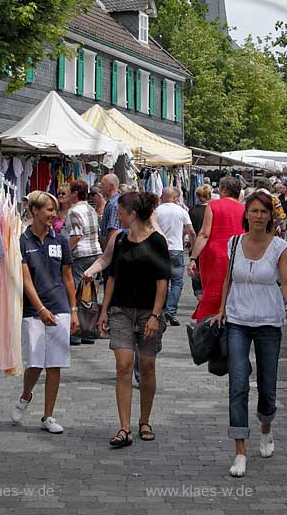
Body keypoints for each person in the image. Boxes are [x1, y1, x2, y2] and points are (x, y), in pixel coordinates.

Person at [209, 191, 287, 477]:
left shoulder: (279, 246)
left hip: (269, 323)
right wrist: (222, 309)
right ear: (246, 214)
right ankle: (240, 452)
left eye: (264, 211)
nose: (258, 216)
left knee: (267, 388)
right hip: (237, 321)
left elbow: (285, 280)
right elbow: (227, 280)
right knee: (238, 384)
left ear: (271, 216)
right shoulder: (234, 243)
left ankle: (266, 428)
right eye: (254, 211)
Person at [96, 192, 170, 448]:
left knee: (147, 367)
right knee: (124, 365)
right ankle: (124, 427)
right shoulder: (119, 241)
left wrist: (155, 316)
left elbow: (163, 282)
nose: (118, 216)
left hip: (148, 311)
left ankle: (144, 421)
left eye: (120, 212)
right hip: (121, 311)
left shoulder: (157, 241)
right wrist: (104, 310)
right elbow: (112, 278)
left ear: (133, 214)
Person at [11, 191, 77, 433]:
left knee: (55, 364)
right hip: (33, 309)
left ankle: (48, 416)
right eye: (48, 209)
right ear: (35, 211)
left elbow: (68, 277)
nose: (53, 214)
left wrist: (74, 309)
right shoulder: (22, 241)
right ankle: (26, 395)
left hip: (59, 306)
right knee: (36, 362)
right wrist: (39, 308)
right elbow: (25, 279)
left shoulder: (60, 240)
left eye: (55, 210)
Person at [189, 176, 245, 321]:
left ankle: (208, 323)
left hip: (215, 256)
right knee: (233, 290)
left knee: (212, 291)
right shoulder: (244, 208)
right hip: (237, 254)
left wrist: (193, 258)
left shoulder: (213, 206)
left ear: (224, 189)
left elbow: (204, 234)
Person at [66, 180, 102, 345]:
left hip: (80, 253)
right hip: (94, 253)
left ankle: (76, 332)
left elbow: (76, 235)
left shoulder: (74, 211)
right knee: (88, 294)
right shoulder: (91, 209)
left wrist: (65, 252)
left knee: (76, 293)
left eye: (69, 192)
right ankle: (88, 330)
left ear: (74, 193)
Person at [155, 187, 195, 326]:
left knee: (161, 280)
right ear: (174, 197)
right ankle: (170, 310)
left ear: (163, 197)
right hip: (176, 249)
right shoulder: (181, 211)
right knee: (177, 282)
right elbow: (191, 231)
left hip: (159, 249)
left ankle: (160, 309)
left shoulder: (156, 211)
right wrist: (193, 249)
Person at [188, 184, 211, 300]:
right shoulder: (212, 210)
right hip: (209, 247)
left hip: (196, 246)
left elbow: (190, 231)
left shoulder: (192, 211)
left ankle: (201, 301)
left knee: (196, 277)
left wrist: (192, 246)